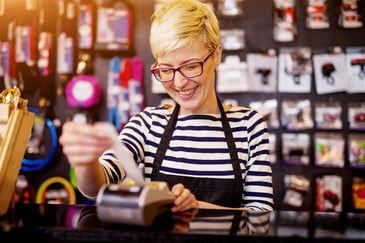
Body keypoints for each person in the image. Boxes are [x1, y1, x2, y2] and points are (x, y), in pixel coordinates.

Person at [59, 0, 274, 212]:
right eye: (166, 70)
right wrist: (85, 161)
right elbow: (97, 186)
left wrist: (197, 207)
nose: (179, 83)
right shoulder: (148, 124)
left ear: (216, 56)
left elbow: (261, 215)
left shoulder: (248, 126)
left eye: (190, 66)